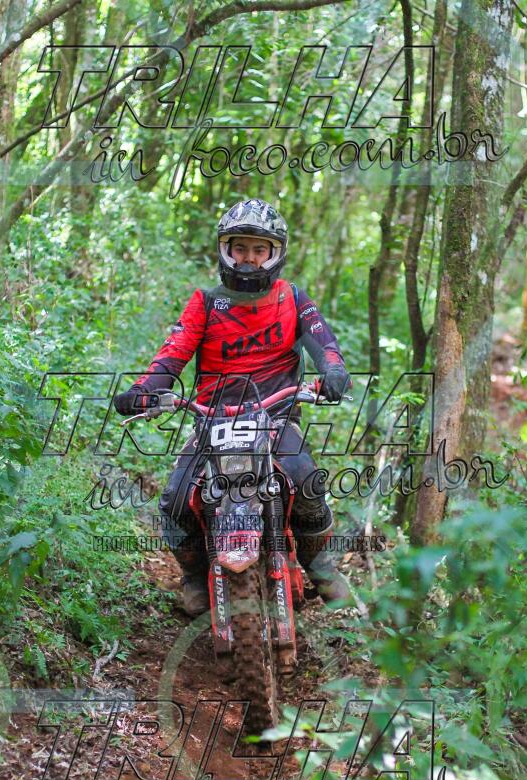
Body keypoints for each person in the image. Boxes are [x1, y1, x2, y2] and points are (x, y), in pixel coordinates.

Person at [114, 198, 352, 616]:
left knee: (307, 483)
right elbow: (171, 355)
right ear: (225, 250)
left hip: (276, 416)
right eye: (240, 248)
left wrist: (333, 371)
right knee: (175, 501)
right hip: (212, 420)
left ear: (275, 253)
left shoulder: (293, 298)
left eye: (259, 250)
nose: (249, 258)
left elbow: (324, 345)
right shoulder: (206, 302)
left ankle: (319, 565)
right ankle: (194, 575)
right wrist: (145, 389)